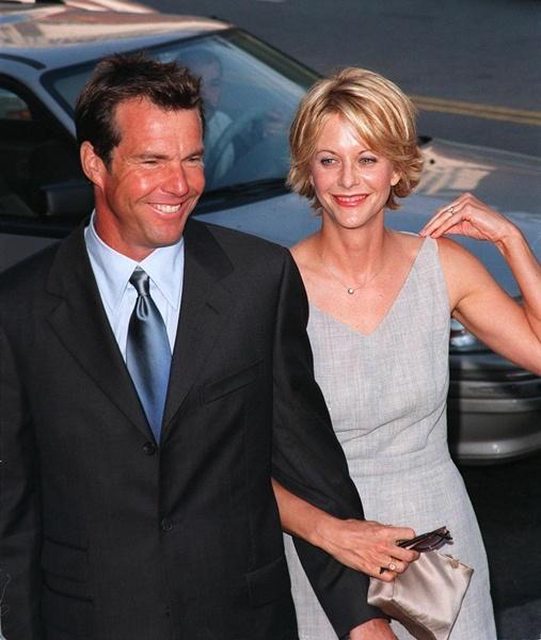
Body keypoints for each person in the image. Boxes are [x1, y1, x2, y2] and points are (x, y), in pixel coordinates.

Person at [0, 54, 419, 640]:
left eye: (192, 158)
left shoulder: (257, 280)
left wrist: (362, 619)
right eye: (152, 160)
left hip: (241, 619)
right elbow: (11, 509)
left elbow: (307, 462)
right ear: (95, 162)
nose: (180, 185)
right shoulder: (18, 310)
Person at [283, 66, 541, 640]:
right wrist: (325, 532)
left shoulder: (440, 268)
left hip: (437, 541)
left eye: (367, 158)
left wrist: (511, 242)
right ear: (307, 168)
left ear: (397, 167)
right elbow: (238, 452)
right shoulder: (277, 287)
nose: (348, 179)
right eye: (329, 159)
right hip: (329, 555)